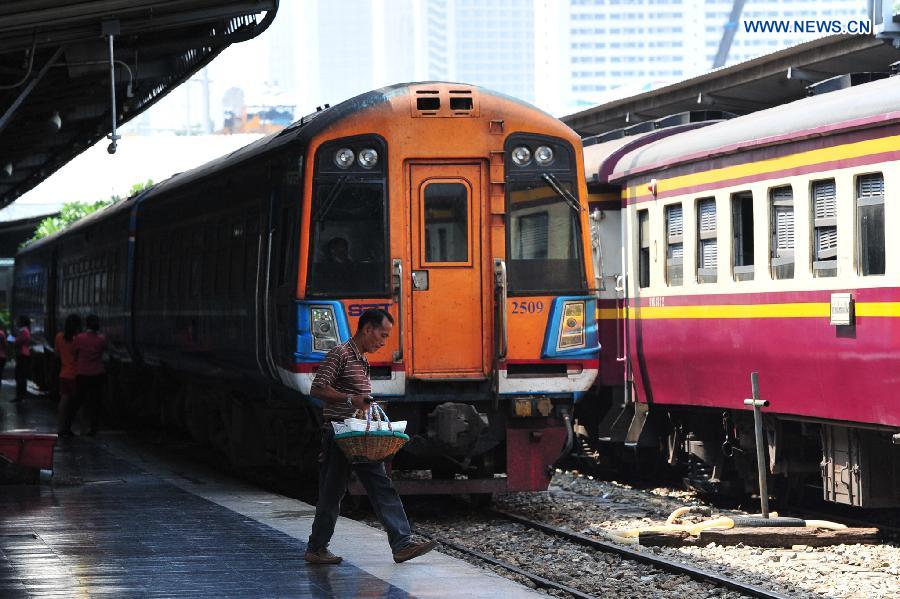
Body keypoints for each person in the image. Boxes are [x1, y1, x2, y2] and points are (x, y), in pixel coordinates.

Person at [305, 308, 436, 565]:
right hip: (339, 433)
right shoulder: (340, 354)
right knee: (332, 492)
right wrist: (350, 399)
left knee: (381, 486)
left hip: (360, 435)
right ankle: (317, 548)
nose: (383, 342)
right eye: (382, 335)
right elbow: (317, 388)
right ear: (367, 329)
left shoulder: (362, 360)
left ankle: (402, 543)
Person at [71, 314, 107, 436]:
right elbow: (103, 353)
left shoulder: (79, 338)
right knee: (95, 402)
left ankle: (67, 424)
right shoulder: (101, 339)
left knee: (78, 401)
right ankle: (94, 428)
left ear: (86, 324)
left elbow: (74, 353)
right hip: (97, 373)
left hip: (83, 373)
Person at [55, 314, 82, 436]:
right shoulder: (78, 339)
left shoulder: (59, 337)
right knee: (78, 402)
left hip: (63, 373)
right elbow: (79, 356)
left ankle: (61, 427)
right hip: (76, 374)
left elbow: (57, 354)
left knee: (64, 401)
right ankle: (80, 427)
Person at [12, 315, 31, 402]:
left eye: (18, 320)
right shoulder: (25, 330)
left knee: (20, 375)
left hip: (22, 354)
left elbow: (18, 341)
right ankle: (21, 394)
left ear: (22, 322)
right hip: (23, 354)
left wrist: (14, 341)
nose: (17, 322)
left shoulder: (24, 331)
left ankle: (21, 395)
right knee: (21, 375)